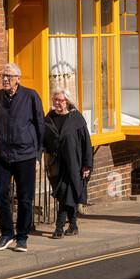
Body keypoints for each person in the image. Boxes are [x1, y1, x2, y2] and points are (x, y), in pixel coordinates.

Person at [0, 63, 44, 252]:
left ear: (18, 79)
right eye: (3, 76)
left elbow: (40, 126)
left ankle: (22, 237)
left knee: (25, 198)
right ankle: (6, 234)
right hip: (3, 155)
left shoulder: (31, 96)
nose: (5, 79)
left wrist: (38, 155)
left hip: (25, 155)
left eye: (9, 76)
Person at [42, 87, 93, 238]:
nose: (57, 103)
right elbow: (44, 138)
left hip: (74, 164)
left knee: (66, 194)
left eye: (60, 100)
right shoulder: (49, 117)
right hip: (55, 164)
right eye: (55, 100)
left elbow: (86, 143)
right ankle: (73, 225)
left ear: (67, 101)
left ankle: (59, 228)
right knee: (65, 195)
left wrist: (87, 165)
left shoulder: (76, 118)